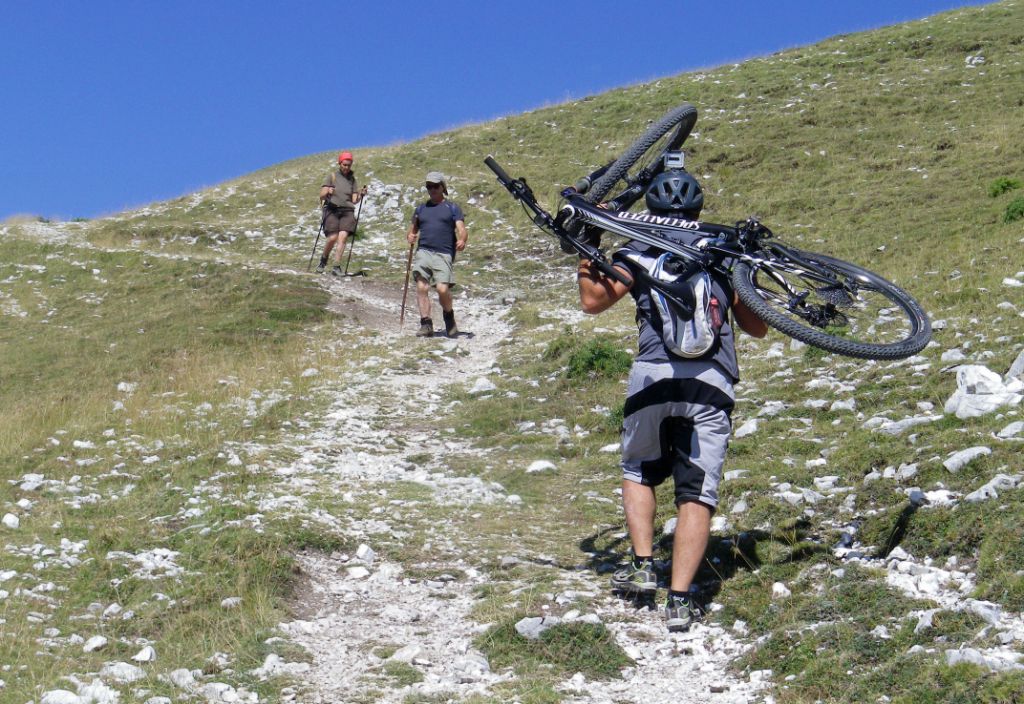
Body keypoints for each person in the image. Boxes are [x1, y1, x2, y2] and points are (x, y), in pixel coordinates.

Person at [575, 156, 768, 632]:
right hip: (712, 383)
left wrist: (586, 253)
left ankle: (643, 566)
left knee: (638, 470)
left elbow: (591, 303)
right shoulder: (723, 254)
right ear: (699, 208)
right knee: (696, 494)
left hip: (652, 376)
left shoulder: (638, 250)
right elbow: (759, 327)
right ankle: (680, 601)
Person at [406, 171, 468, 337]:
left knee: (442, 289)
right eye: (429, 187)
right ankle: (426, 323)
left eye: (435, 186)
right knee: (421, 286)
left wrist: (462, 239)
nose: (432, 189)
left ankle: (448, 316)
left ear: (442, 187)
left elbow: (461, 229)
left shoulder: (452, 208)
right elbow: (411, 231)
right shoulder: (421, 209)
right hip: (424, 251)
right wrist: (410, 236)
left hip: (444, 253)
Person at [317, 151, 367, 276]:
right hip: (332, 209)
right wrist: (328, 190)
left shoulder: (352, 180)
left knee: (343, 237)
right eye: (344, 165)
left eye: (349, 165)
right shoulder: (332, 176)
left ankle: (336, 266)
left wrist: (361, 194)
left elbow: (354, 200)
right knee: (333, 237)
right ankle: (323, 260)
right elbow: (322, 196)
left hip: (347, 211)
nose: (346, 167)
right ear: (340, 163)